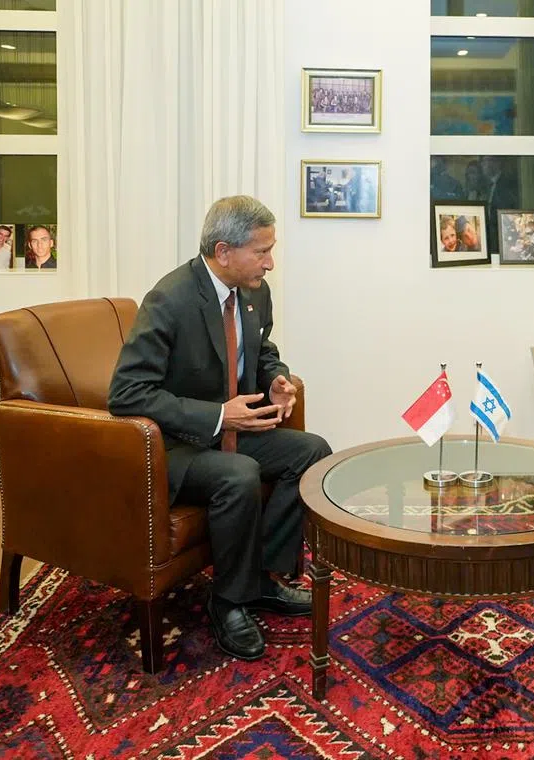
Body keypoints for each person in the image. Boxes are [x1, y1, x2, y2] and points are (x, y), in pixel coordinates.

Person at [108, 195, 332, 662]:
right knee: (239, 474)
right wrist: (217, 416)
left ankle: (261, 579)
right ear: (224, 251)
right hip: (176, 444)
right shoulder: (169, 299)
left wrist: (276, 377)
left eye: (272, 250)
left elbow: (262, 347)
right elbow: (127, 393)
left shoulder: (254, 291)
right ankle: (227, 601)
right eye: (262, 251)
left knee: (312, 452)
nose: (271, 263)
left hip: (236, 428)